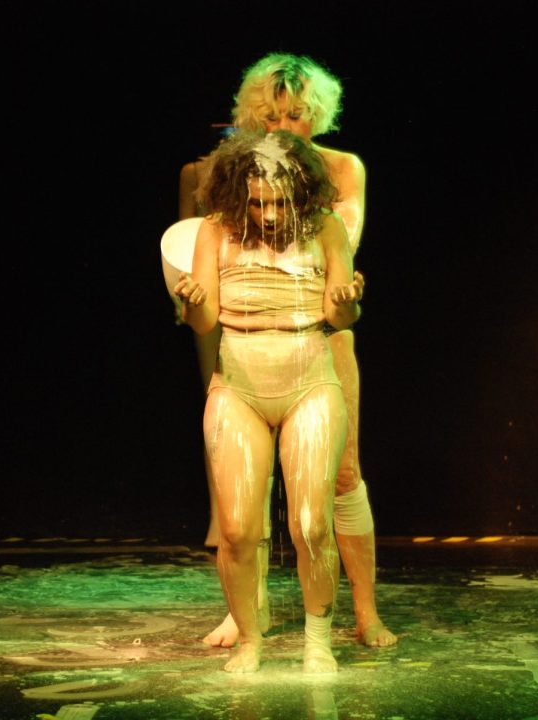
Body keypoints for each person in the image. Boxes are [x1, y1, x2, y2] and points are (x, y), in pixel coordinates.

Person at [182, 53, 395, 648]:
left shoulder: (340, 168)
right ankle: (249, 610)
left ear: (316, 115)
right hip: (250, 339)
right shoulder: (240, 172)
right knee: (246, 484)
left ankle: (366, 611)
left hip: (320, 333)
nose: (284, 126)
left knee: (340, 475)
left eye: (296, 115)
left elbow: (341, 240)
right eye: (271, 116)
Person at [175, 130, 360, 672]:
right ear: (240, 194)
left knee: (311, 524)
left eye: (280, 202)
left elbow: (338, 316)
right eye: (258, 203)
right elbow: (205, 321)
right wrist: (194, 302)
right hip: (239, 384)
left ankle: (317, 642)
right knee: (236, 529)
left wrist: (349, 302)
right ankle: (250, 642)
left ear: (300, 192)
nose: (271, 214)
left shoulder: (326, 228)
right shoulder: (215, 230)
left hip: (309, 380)